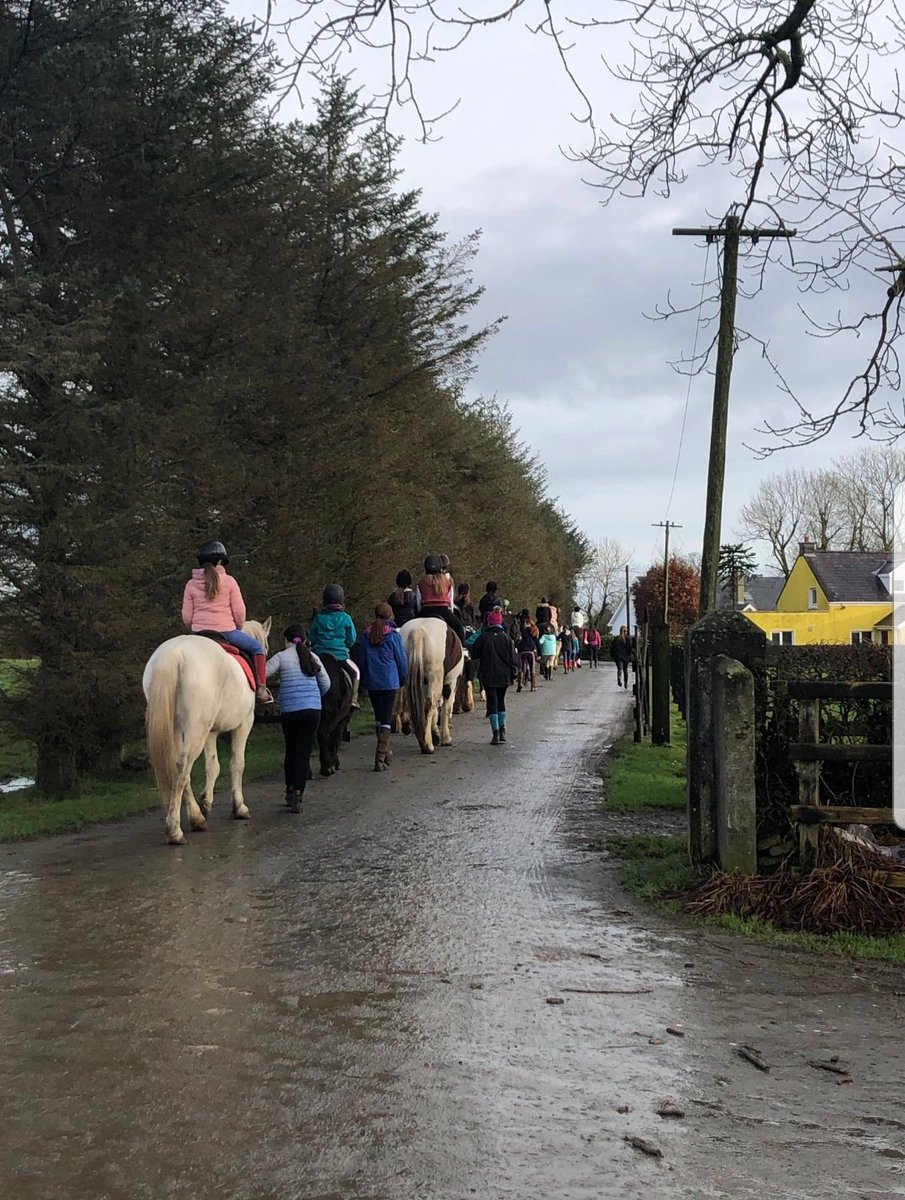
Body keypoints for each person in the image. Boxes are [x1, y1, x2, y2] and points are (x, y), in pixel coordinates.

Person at [181, 540, 273, 705]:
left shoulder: (190, 584)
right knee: (257, 648)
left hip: (197, 634)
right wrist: (236, 628)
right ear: (220, 561)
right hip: (226, 631)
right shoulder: (229, 581)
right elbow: (239, 613)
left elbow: (187, 617)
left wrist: (194, 630)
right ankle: (261, 689)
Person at [266, 624, 330, 813]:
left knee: (291, 749)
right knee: (303, 751)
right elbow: (326, 683)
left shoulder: (281, 657)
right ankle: (298, 793)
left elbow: (264, 673)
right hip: (312, 711)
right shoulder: (313, 657)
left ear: (286, 641)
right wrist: (315, 697)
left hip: (290, 710)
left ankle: (289, 788)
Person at [356, 602, 409, 771]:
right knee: (386, 719)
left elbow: (362, 659)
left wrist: (365, 678)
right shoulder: (393, 635)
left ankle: (385, 754)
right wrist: (403, 678)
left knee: (379, 718)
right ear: (390, 616)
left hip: (372, 681)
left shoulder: (366, 635)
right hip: (389, 681)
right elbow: (401, 660)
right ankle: (380, 757)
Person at [470, 609, 519, 744]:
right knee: (501, 702)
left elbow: (474, 653)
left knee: (492, 703)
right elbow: (513, 659)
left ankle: (495, 733)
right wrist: (514, 672)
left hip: (488, 675)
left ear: (489, 623)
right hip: (503, 676)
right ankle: (503, 730)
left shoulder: (484, 638)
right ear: (500, 623)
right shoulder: (507, 639)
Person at [308, 584, 360, 707]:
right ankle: (353, 699)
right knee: (356, 672)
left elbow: (312, 638)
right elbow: (351, 640)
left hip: (320, 656)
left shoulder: (318, 618)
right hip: (340, 657)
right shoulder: (346, 618)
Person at [415, 553, 466, 641]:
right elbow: (450, 602)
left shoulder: (421, 582)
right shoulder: (446, 581)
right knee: (459, 628)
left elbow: (418, 603)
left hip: (426, 611)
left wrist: (419, 613)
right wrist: (451, 612)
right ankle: (464, 649)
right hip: (443, 611)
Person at [516, 612, 540, 693]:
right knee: (532, 669)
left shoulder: (521, 629)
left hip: (521, 650)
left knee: (520, 668)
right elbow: (537, 642)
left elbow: (517, 639)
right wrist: (539, 652)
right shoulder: (533, 630)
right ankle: (533, 686)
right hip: (530, 650)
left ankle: (519, 685)